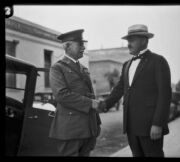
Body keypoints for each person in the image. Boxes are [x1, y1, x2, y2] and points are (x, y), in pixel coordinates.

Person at [99, 24, 172, 157]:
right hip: (131, 125)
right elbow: (119, 88)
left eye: (132, 40)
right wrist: (104, 105)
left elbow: (165, 95)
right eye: (128, 40)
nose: (128, 44)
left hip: (150, 126)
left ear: (144, 40)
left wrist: (158, 124)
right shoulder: (127, 65)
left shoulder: (158, 61)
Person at [49, 29, 101, 156]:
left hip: (88, 128)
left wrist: (97, 122)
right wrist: (91, 103)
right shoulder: (57, 68)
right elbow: (62, 95)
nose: (83, 47)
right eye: (80, 44)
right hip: (70, 130)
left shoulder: (84, 69)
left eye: (84, 44)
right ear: (67, 46)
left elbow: (91, 95)